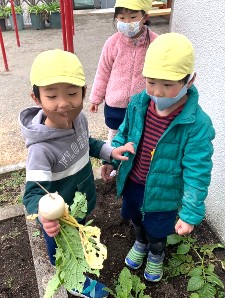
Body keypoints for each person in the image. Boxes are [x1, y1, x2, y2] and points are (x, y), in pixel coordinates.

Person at [19, 49, 134, 298]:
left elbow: (87, 143)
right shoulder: (41, 150)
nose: (64, 103)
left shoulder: (79, 119)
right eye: (52, 96)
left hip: (81, 202)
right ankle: (73, 279)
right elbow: (31, 195)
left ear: (83, 92)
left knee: (80, 229)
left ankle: (80, 239)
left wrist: (110, 152)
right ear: (37, 98)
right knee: (62, 249)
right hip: (60, 220)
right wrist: (45, 216)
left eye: (72, 93)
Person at [101, 33, 215, 282]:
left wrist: (190, 213)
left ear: (189, 81)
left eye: (168, 84)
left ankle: (155, 253)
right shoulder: (138, 104)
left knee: (158, 228)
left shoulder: (196, 124)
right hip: (133, 181)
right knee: (135, 217)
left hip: (165, 192)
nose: (158, 92)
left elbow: (198, 170)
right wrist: (111, 157)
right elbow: (124, 134)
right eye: (151, 82)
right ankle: (140, 242)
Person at [89, 0, 158, 145]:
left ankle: (134, 166)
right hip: (115, 103)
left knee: (140, 136)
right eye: (121, 18)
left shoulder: (154, 42)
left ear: (145, 17)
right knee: (115, 135)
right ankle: (111, 163)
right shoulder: (112, 43)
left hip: (142, 103)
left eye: (132, 17)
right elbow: (103, 71)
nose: (127, 22)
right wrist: (96, 98)